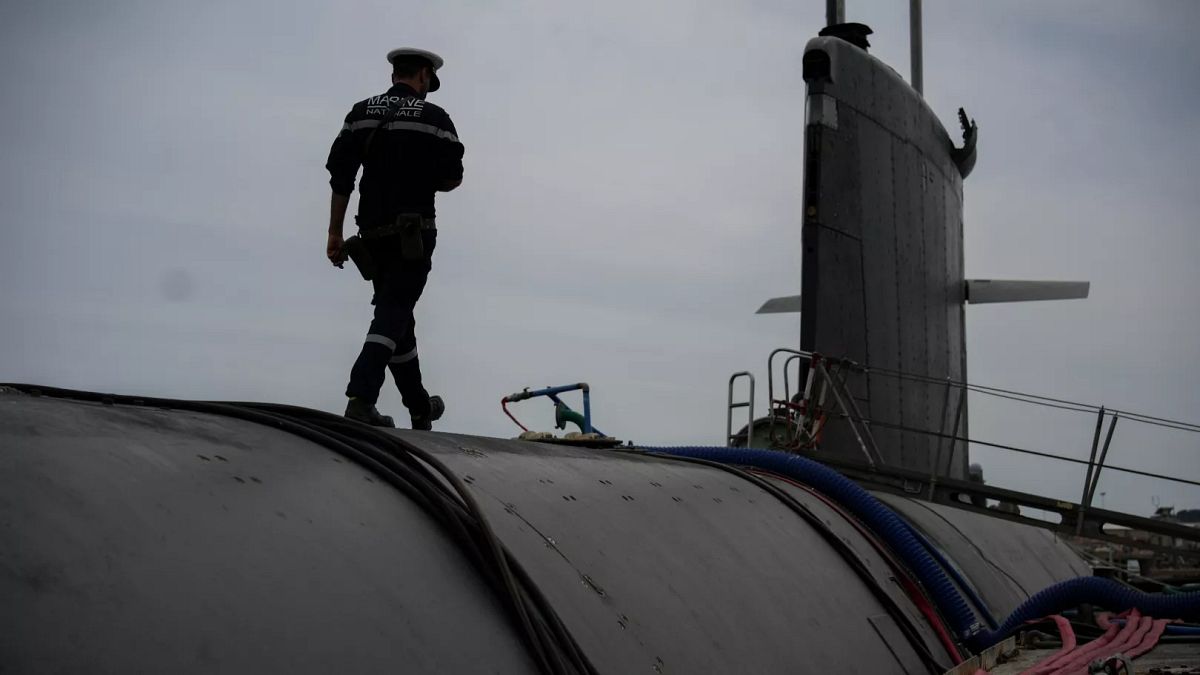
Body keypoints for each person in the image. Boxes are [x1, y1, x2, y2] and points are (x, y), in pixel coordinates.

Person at [325, 47, 464, 429]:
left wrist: (335, 233)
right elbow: (452, 179)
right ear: (422, 76)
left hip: (370, 235)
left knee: (398, 318)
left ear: (393, 75)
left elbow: (341, 177)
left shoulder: (360, 114)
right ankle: (361, 396)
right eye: (427, 82)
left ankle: (419, 406)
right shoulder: (436, 118)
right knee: (392, 312)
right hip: (412, 235)